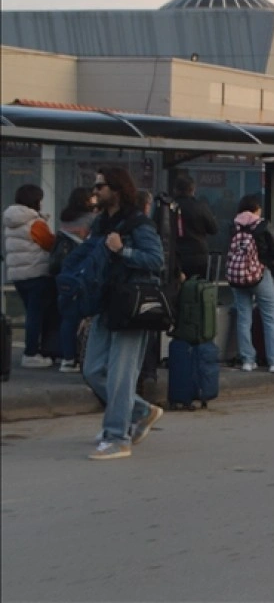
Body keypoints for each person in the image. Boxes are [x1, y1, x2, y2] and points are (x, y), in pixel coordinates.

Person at [65, 168, 166, 460]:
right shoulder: (101, 223)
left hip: (131, 305)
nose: (95, 191)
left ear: (117, 190)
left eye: (101, 186)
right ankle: (140, 410)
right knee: (92, 369)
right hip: (104, 303)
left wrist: (123, 251)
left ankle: (117, 437)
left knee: (120, 375)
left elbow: (156, 260)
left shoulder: (138, 223)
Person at [4, 184, 58, 369]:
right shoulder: (35, 223)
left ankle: (34, 350)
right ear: (35, 201)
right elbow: (50, 244)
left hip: (19, 276)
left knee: (32, 313)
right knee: (36, 315)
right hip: (36, 273)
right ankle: (31, 353)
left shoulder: (12, 220)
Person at [229, 195, 274, 373]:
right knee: (270, 317)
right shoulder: (262, 225)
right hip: (260, 274)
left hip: (238, 276)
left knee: (243, 318)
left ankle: (247, 360)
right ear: (256, 209)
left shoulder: (234, 225)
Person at [52, 187, 98, 372]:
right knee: (84, 315)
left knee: (68, 316)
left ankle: (67, 357)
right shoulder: (92, 219)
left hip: (64, 269)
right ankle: (79, 356)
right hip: (82, 270)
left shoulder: (65, 218)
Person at [170, 174, 218, 280]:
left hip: (175, 256)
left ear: (175, 190)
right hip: (199, 255)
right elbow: (213, 229)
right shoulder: (201, 207)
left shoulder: (169, 207)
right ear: (193, 190)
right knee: (199, 287)